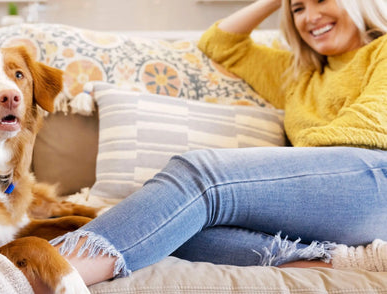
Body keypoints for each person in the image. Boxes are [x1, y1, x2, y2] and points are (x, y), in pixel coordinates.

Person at [49, 0, 387, 288]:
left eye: (322, 0)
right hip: (322, 199)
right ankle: (344, 260)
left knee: (200, 175)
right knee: (169, 226)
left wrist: (262, 174)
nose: (310, 17)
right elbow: (220, 42)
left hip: (374, 179)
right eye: (297, 8)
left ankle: (35, 277)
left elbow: (364, 127)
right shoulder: (298, 75)